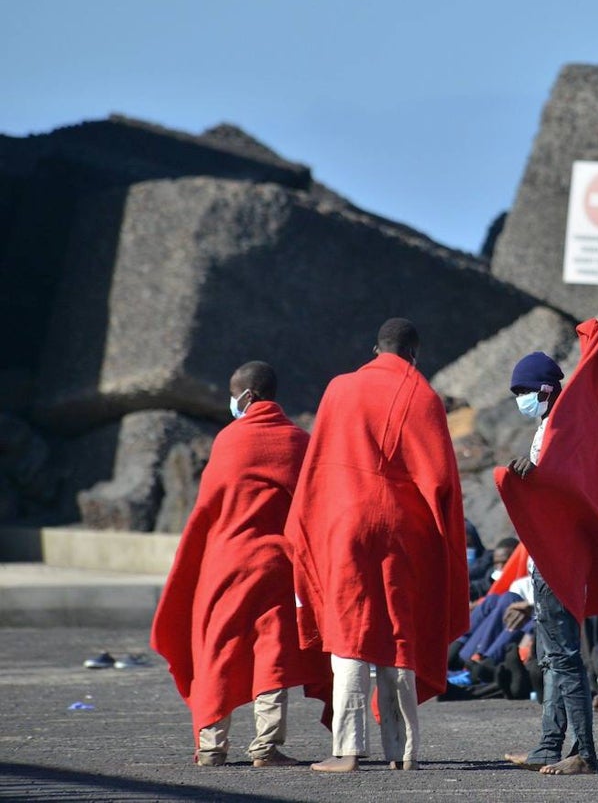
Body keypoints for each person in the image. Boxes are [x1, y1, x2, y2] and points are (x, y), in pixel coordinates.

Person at [285, 318, 469, 773]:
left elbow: (318, 467)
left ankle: (347, 751)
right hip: (401, 527)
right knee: (398, 631)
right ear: (415, 353)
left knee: (350, 632)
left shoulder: (340, 388)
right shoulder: (422, 395)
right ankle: (402, 751)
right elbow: (441, 479)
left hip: (345, 522)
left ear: (375, 349)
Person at [151, 361, 330, 767]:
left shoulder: (229, 441)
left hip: (228, 561)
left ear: (246, 396)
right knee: (274, 650)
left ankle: (212, 745)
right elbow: (313, 508)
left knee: (219, 648)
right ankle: (266, 747)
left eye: (234, 395)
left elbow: (208, 509)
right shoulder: (298, 441)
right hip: (277, 564)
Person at [501, 351, 598, 776]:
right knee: (551, 656)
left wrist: (535, 477)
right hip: (546, 557)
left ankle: (584, 752)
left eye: (524, 390)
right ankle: (548, 745)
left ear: (546, 388)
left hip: (560, 557)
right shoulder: (548, 428)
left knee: (563, 656)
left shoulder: (563, 429)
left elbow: (570, 488)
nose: (520, 398)